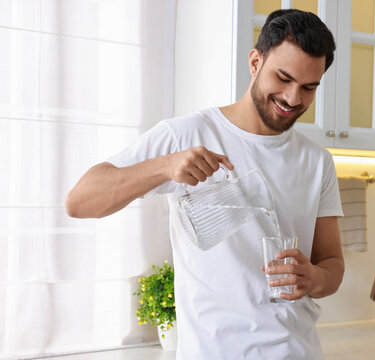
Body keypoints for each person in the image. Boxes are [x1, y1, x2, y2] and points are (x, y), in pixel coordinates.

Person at [65, 8, 344, 360]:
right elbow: (79, 201)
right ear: (255, 61)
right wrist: (164, 166)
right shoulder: (186, 134)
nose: (293, 98)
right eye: (283, 78)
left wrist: (315, 279)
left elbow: (332, 262)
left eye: (308, 87)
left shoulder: (317, 161)